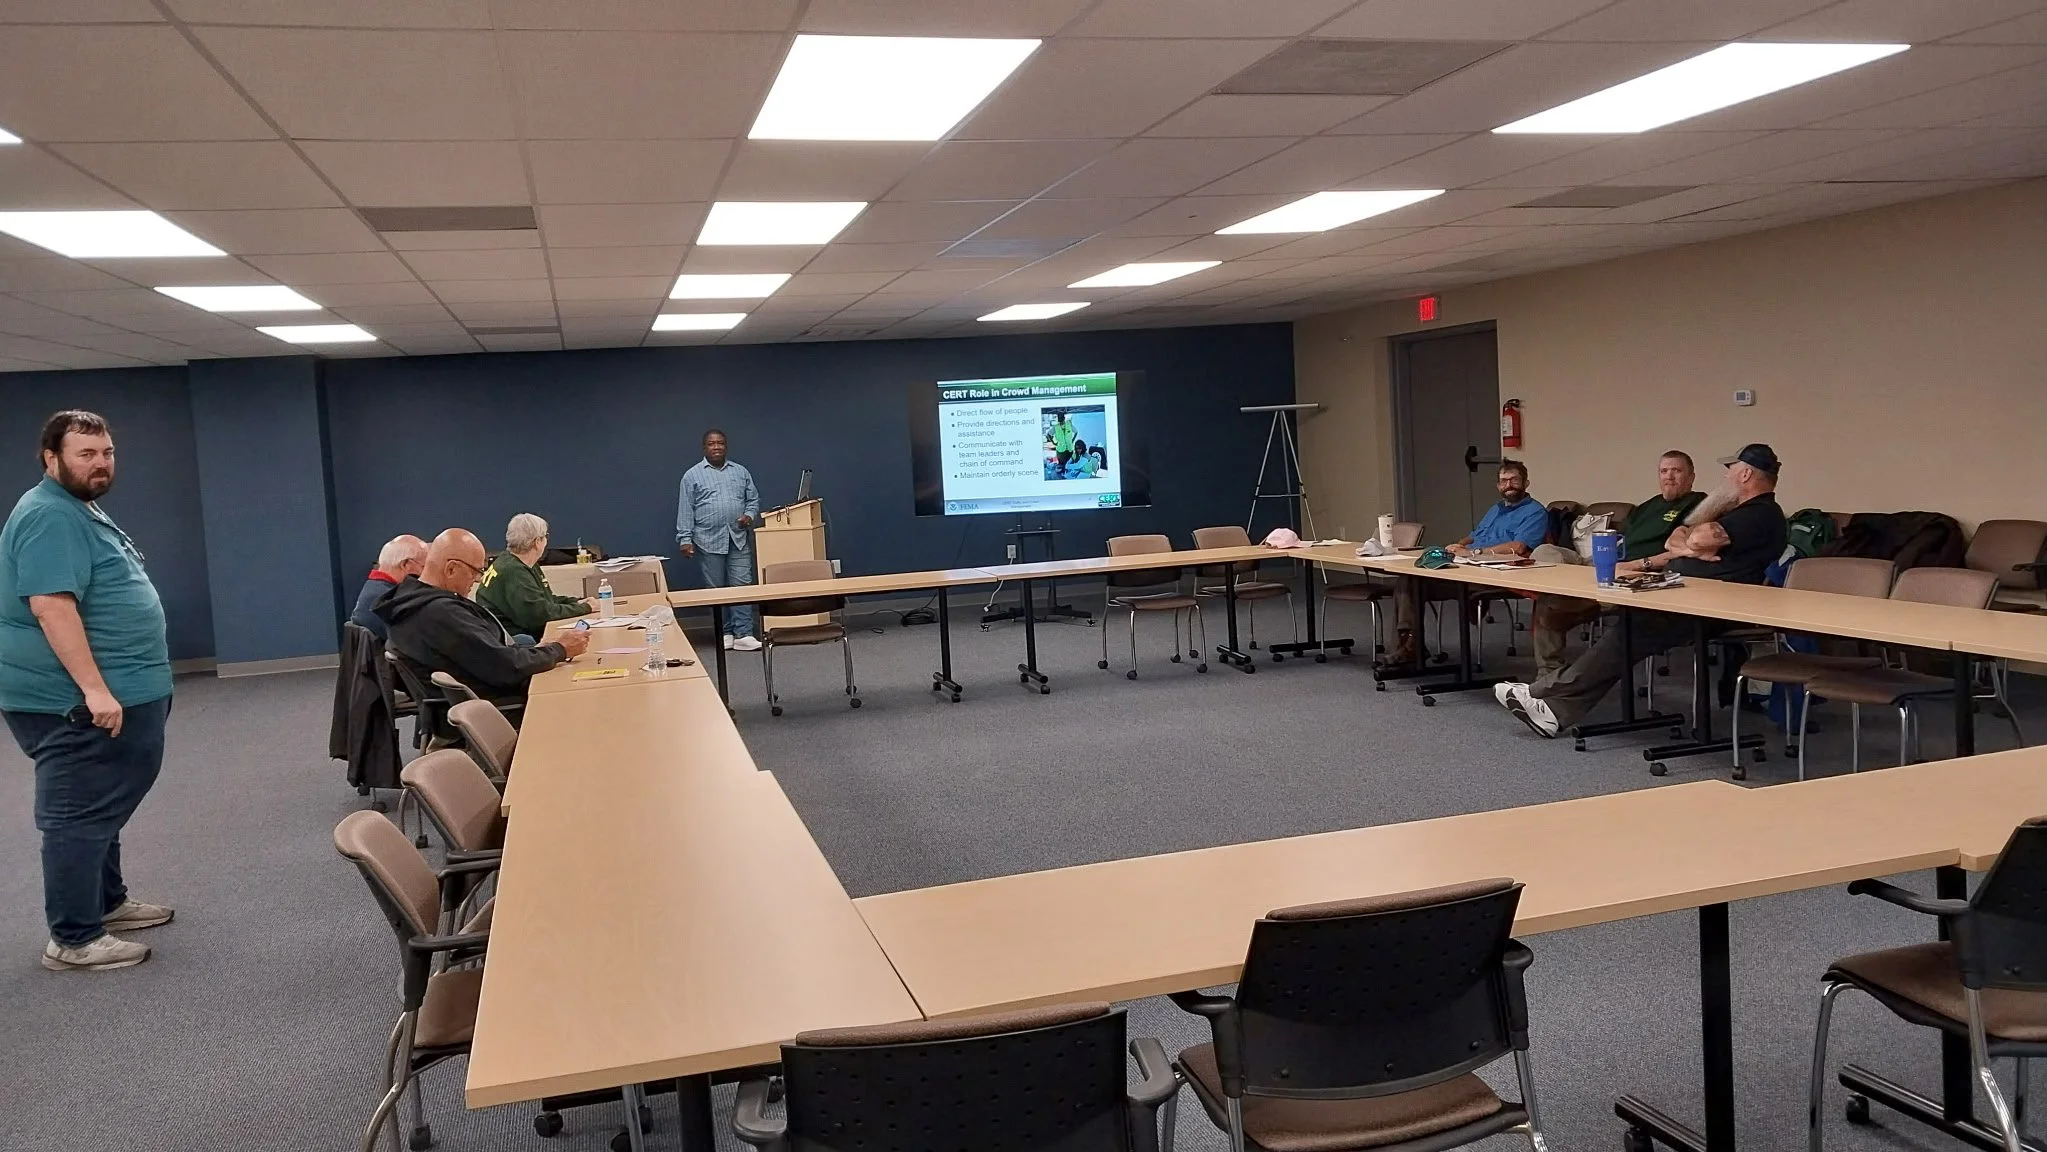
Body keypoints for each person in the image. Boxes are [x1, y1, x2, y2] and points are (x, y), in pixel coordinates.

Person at [0, 410, 175, 972]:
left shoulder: (77, 508)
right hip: (72, 701)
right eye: (85, 454)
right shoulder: (49, 516)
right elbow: (51, 606)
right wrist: (96, 690)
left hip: (117, 688)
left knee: (102, 801)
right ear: (51, 458)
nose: (100, 464)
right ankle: (74, 938)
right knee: (78, 810)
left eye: (107, 453)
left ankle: (106, 903)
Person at [1497, 444, 1789, 737]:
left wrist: (1692, 544)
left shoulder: (1762, 514)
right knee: (1624, 623)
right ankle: (1554, 712)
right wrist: (1690, 544)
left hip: (1716, 609)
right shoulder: (1736, 512)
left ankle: (1538, 690)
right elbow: (1677, 538)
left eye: (1732, 470)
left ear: (1747, 473)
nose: (1726, 476)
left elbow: (1697, 537)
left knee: (1632, 629)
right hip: (1687, 596)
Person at [1525, 451, 1709, 676]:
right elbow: (1622, 539)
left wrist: (1639, 564)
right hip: (1606, 563)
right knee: (1545, 552)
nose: (1669, 476)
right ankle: (1574, 596)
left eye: (1677, 471)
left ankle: (1551, 664)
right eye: (1664, 471)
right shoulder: (1648, 506)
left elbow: (1686, 551)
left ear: (1691, 476)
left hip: (1644, 576)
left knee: (1549, 601)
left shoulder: (1699, 505)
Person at [375, 528, 588, 707]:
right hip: (499, 707)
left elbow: (490, 654)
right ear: (451, 569)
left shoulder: (411, 602)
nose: (477, 580)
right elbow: (506, 667)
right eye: (476, 571)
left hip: (480, 698)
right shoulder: (440, 614)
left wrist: (541, 650)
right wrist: (559, 650)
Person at [1389, 459, 1548, 665]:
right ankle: (1410, 644)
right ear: (1498, 486)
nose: (1508, 485)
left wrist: (1473, 552)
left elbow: (1519, 548)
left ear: (1526, 483)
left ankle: (1409, 649)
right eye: (1504, 481)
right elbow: (1474, 535)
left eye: (1514, 480)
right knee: (1410, 580)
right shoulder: (1495, 509)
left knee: (1415, 582)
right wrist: (1457, 545)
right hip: (1468, 564)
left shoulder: (1535, 512)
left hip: (1497, 572)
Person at [677, 429, 762, 652]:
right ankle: (724, 632)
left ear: (726, 446)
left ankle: (743, 633)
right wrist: (685, 539)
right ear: (704, 448)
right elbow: (686, 509)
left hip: (738, 537)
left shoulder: (741, 472)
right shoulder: (692, 475)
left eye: (720, 443)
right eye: (711, 444)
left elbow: (753, 500)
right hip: (708, 539)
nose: (716, 447)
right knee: (716, 589)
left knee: (742, 585)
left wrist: (749, 516)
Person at [475, 513, 592, 640]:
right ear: (537, 542)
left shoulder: (515, 562)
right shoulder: (514, 571)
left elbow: (545, 601)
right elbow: (540, 616)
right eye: (545, 536)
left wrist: (576, 602)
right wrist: (584, 608)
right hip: (515, 642)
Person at [348, 534, 426, 641]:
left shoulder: (374, 588)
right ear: (406, 565)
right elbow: (417, 641)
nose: (424, 573)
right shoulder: (388, 600)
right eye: (423, 566)